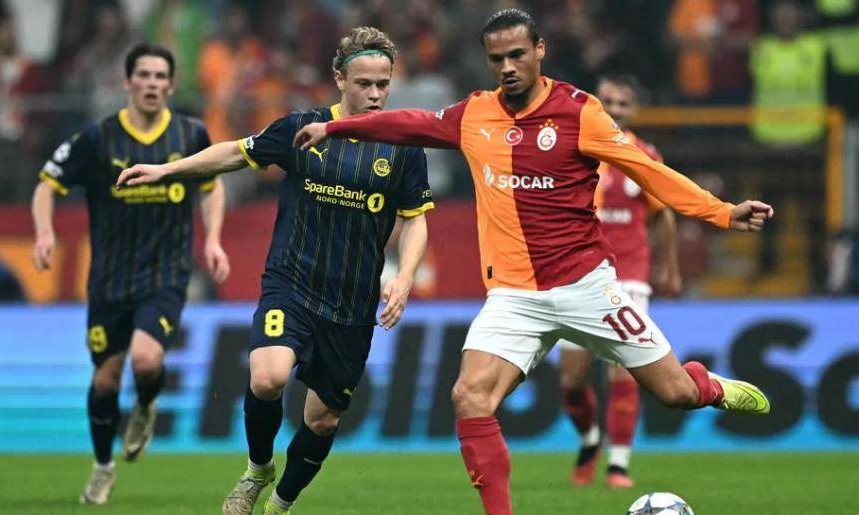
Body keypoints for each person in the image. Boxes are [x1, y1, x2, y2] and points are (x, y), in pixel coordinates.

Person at [294, 10, 773, 515]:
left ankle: (706, 384)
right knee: (470, 396)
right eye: (496, 58)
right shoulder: (476, 113)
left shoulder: (580, 112)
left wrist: (721, 212)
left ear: (540, 50)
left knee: (675, 393)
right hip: (513, 297)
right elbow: (411, 124)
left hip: (586, 286)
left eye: (517, 55)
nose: (507, 67)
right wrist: (337, 127)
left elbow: (648, 171)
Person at [116, 27, 433, 515]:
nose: (375, 94)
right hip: (292, 281)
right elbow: (234, 152)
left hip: (351, 303)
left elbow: (415, 220)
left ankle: (280, 504)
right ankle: (257, 468)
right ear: (339, 79)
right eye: (364, 83)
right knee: (267, 378)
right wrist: (166, 170)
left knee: (323, 421)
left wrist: (406, 276)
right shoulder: (303, 128)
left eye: (383, 84)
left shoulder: (403, 148)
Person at [30, 43, 229, 506]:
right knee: (105, 380)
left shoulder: (190, 134)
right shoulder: (98, 138)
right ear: (128, 82)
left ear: (171, 86)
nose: (152, 84)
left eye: (161, 76)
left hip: (166, 271)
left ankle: (144, 404)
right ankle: (103, 466)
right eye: (144, 75)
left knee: (145, 359)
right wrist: (44, 232)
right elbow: (46, 184)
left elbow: (211, 187)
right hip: (109, 279)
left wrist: (213, 239)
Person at [556, 74, 681, 490]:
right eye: (607, 101)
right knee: (572, 382)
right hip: (577, 274)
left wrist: (669, 268)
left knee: (624, 372)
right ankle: (591, 439)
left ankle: (619, 465)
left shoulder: (644, 155)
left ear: (634, 110)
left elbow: (663, 215)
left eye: (622, 103)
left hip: (628, 275)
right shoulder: (574, 149)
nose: (613, 109)